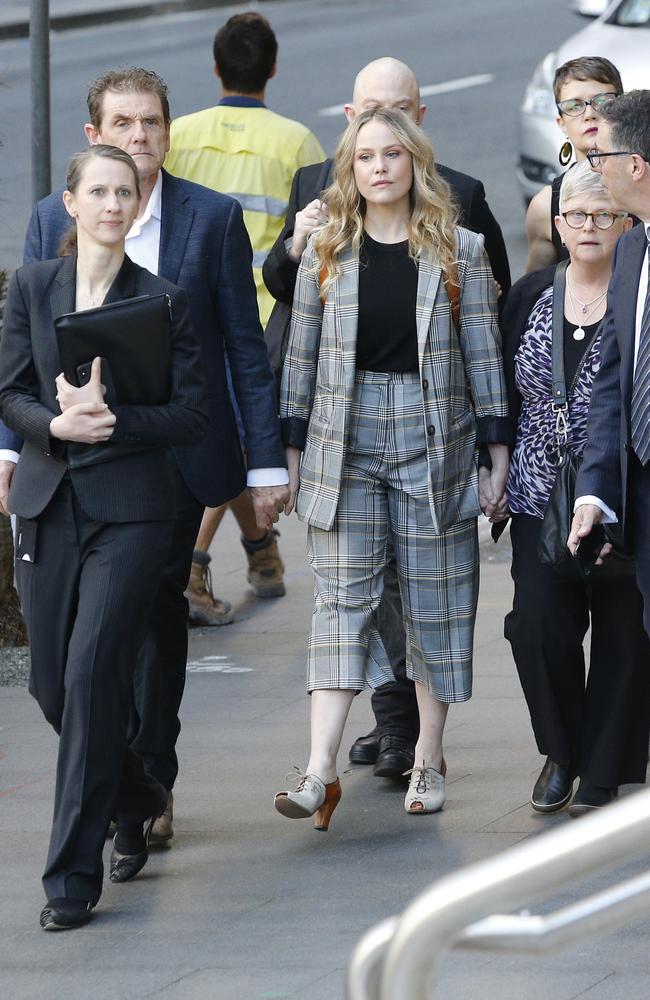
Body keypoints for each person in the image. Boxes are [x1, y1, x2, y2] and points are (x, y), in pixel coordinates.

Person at [1, 68, 289, 845]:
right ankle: (130, 787)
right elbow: (27, 345)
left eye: (152, 123)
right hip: (73, 472)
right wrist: (11, 445)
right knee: (81, 664)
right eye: (122, 125)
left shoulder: (211, 217)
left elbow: (241, 349)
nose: (139, 138)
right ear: (95, 137)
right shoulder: (46, 221)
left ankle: (148, 786)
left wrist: (265, 465)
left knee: (157, 632)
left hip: (174, 468)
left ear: (169, 131)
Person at [263, 56, 512, 781]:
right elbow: (301, 359)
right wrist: (292, 450)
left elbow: (485, 356)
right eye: (365, 157)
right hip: (347, 436)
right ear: (349, 166)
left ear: (415, 160)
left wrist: (497, 452)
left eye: (392, 154)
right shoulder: (325, 252)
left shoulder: (457, 248)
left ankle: (428, 760)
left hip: (435, 433)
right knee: (341, 602)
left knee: (435, 596)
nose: (378, 167)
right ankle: (318, 771)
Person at [0, 145, 208, 929]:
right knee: (51, 687)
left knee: (90, 678)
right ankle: (141, 791)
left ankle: (69, 881)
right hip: (50, 502)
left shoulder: (163, 300)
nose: (114, 203)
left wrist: (112, 419)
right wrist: (54, 424)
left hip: (134, 512)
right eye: (100, 191)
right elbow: (9, 389)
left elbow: (191, 415)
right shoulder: (30, 286)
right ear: (71, 202)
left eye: (127, 191)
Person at [499, 160, 650, 816]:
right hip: (540, 494)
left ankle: (602, 774)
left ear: (625, 222)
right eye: (576, 216)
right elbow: (505, 391)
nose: (589, 227)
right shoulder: (530, 293)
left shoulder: (637, 290)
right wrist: (495, 464)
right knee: (535, 629)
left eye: (604, 215)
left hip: (621, 492)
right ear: (556, 225)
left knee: (623, 636)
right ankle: (562, 751)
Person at [165, 11, 325, 619]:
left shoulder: (180, 132)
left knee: (227, 441)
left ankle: (257, 549)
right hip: (263, 319)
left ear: (215, 67)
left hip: (189, 314)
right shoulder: (296, 142)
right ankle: (203, 567)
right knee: (232, 443)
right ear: (274, 69)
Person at [569, 91, 650, 637]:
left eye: (600, 158)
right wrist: (594, 489)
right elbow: (613, 381)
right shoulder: (631, 249)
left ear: (635, 166)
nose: (592, 169)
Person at [525, 56, 623, 273]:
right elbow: (533, 291)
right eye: (574, 106)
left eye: (603, 102)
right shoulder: (546, 205)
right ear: (561, 123)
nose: (589, 113)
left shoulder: (644, 184)